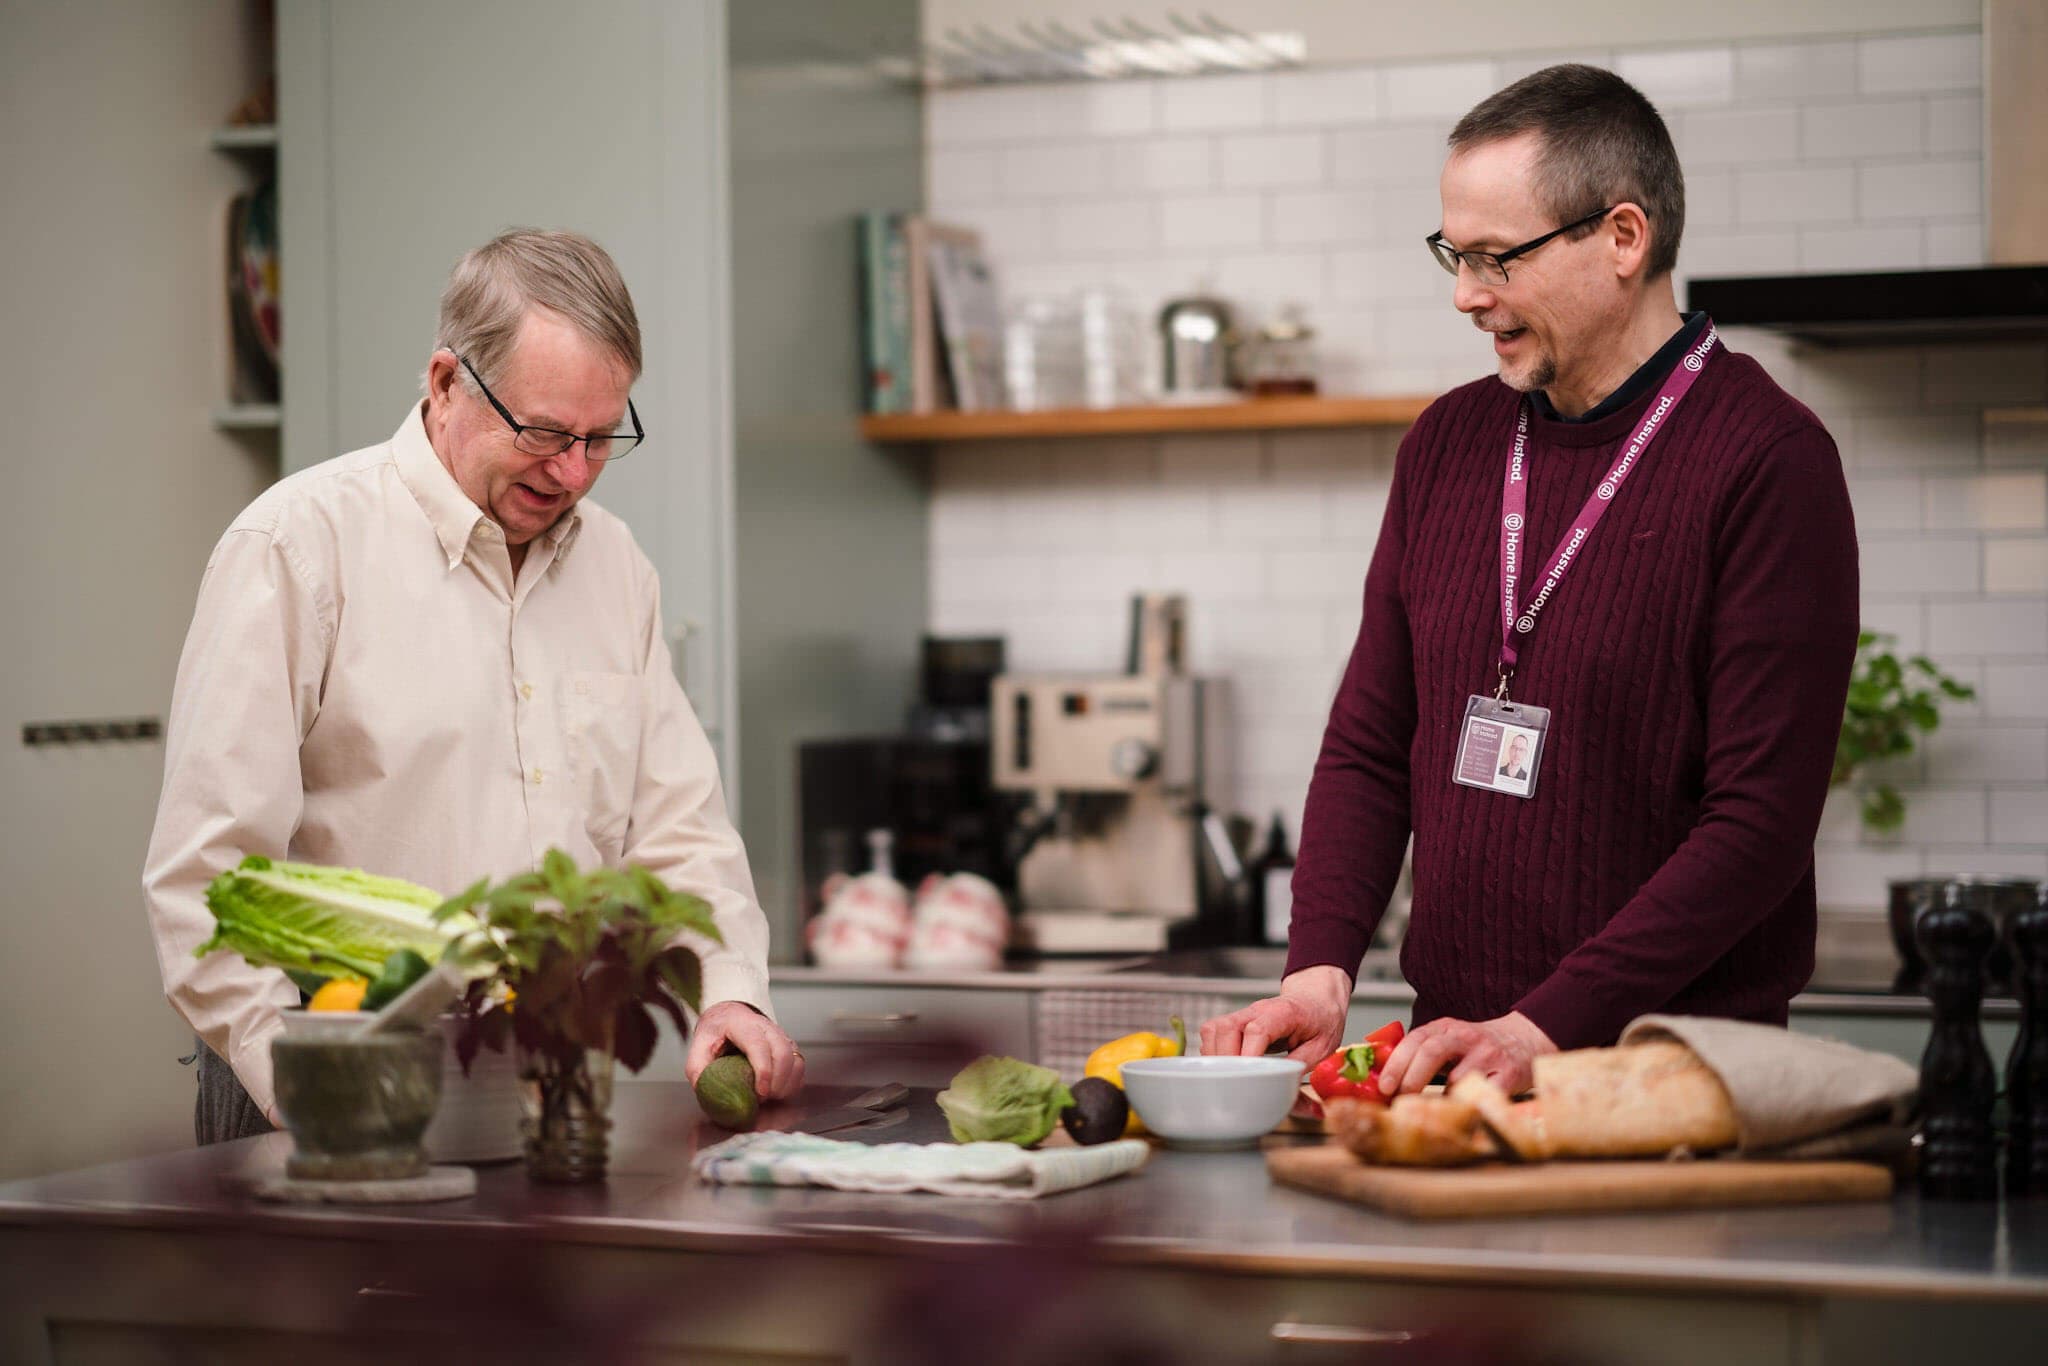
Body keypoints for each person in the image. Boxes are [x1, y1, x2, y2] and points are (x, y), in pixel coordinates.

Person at [1201, 65, 1857, 1097]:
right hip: (1452, 1073)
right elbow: (1373, 747)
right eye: (1452, 255)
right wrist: (1318, 971)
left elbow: (1758, 826)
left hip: (1663, 1087)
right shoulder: (1446, 443)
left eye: (1495, 257)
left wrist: (1540, 1024)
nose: (1465, 294)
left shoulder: (1767, 459)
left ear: (1622, 239)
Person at [144, 229, 804, 1142]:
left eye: (600, 438)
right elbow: (204, 877)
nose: (572, 472)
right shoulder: (298, 547)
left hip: (545, 1083)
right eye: (542, 433)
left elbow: (678, 830)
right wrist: (304, 1078)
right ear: (447, 382)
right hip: (321, 1068)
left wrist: (731, 992)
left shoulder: (615, 567)